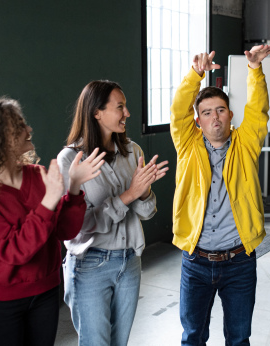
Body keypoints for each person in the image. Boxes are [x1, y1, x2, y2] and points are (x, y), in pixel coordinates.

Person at [0, 97, 105, 346]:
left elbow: (64, 230)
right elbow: (15, 251)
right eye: (19, 125)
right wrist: (49, 201)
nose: (29, 129)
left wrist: (74, 187)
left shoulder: (36, 175)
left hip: (44, 293)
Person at [169, 45, 270, 345]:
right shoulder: (187, 145)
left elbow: (258, 109)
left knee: (239, 338)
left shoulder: (246, 143)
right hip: (196, 260)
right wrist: (196, 75)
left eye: (220, 110)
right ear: (198, 121)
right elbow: (178, 110)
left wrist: (255, 70)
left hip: (239, 261)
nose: (214, 118)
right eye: (206, 113)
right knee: (192, 337)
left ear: (230, 115)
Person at [57, 80, 168, 346]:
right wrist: (129, 193)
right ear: (97, 112)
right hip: (89, 266)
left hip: (130, 261)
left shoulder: (133, 152)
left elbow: (147, 211)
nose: (127, 113)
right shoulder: (70, 161)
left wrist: (143, 191)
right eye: (120, 107)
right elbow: (79, 225)